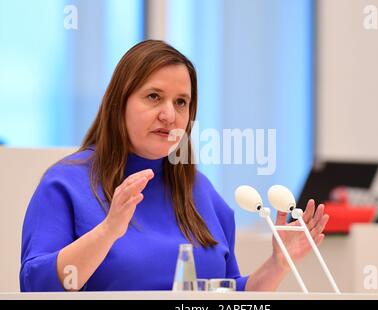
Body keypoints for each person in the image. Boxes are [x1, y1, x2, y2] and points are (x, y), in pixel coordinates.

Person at [20, 40, 329, 292]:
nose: (170, 114)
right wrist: (109, 231)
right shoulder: (65, 184)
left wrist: (278, 264)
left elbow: (228, 296)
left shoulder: (200, 190)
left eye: (181, 102)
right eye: (154, 97)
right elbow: (36, 285)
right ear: (119, 104)